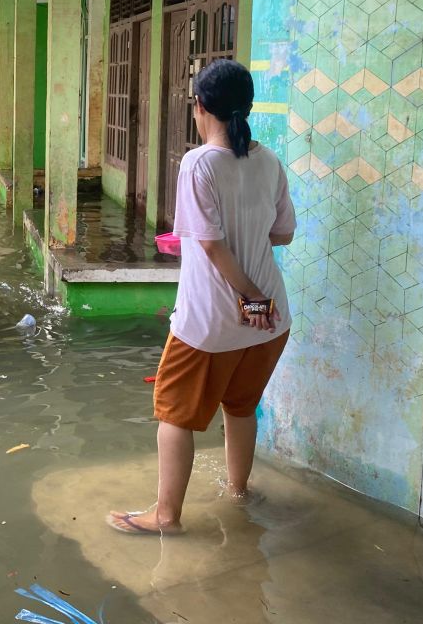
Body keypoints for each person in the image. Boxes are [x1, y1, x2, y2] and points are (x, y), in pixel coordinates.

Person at [107, 59, 296, 535]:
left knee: (173, 412)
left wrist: (251, 298)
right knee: (241, 406)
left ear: (200, 106)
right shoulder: (270, 161)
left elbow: (210, 244)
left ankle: (165, 517)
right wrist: (258, 291)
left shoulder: (199, 163)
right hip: (271, 323)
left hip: (213, 322)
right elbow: (283, 234)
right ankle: (238, 491)